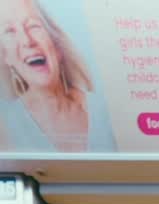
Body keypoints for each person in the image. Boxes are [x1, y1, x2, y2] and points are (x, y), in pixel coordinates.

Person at [0, 0, 115, 151]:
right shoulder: (6, 123)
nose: (27, 41)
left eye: (33, 26)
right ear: (6, 57)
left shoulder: (103, 109)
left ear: (57, 46)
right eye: (9, 31)